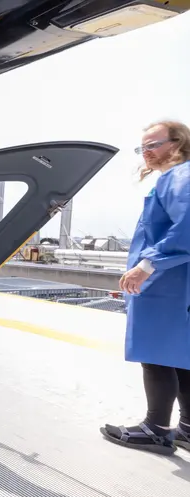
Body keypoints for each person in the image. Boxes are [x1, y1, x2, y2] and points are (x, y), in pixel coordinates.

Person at [100, 120, 190, 455]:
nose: (146, 153)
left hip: (165, 282)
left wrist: (146, 265)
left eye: (153, 144)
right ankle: (188, 429)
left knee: (156, 354)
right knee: (180, 354)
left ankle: (155, 429)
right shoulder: (179, 177)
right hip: (177, 281)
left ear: (177, 142)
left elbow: (186, 227)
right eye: (143, 148)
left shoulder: (179, 176)